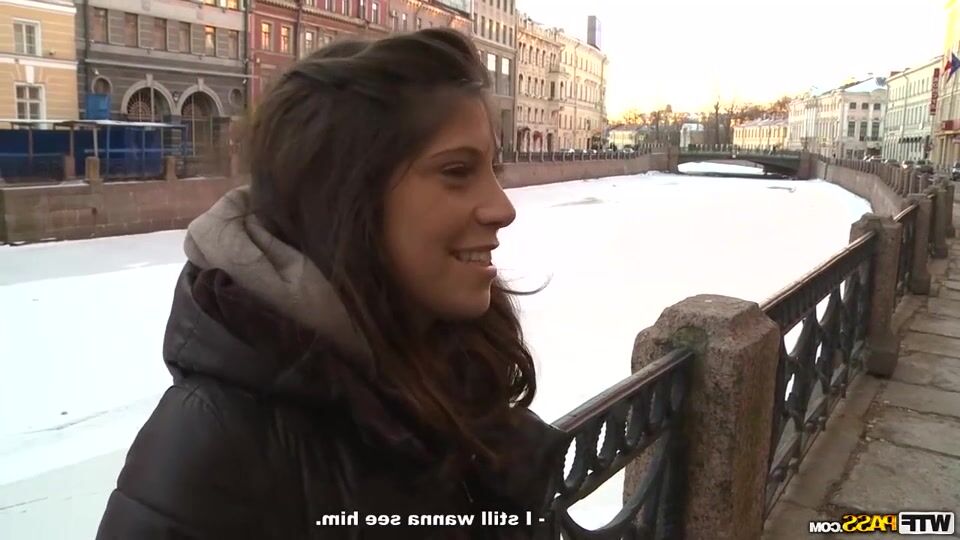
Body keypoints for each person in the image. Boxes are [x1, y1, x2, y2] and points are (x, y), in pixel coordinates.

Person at [96, 29, 566, 539]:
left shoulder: (456, 369)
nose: (503, 208)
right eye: (457, 171)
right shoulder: (213, 446)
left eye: (493, 168)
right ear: (342, 194)